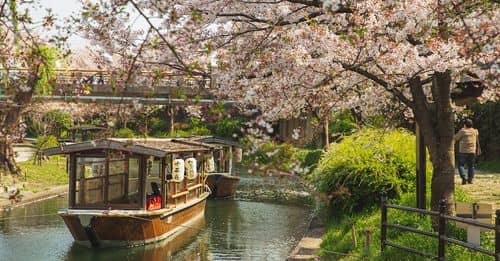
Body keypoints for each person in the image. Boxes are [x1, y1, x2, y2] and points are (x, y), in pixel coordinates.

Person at [455, 119, 481, 184]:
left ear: (465, 125)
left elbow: (456, 138)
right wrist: (479, 148)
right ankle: (470, 180)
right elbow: (477, 140)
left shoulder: (463, 131)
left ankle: (463, 178)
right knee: (471, 166)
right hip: (472, 151)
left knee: (460, 165)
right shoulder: (475, 131)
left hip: (463, 151)